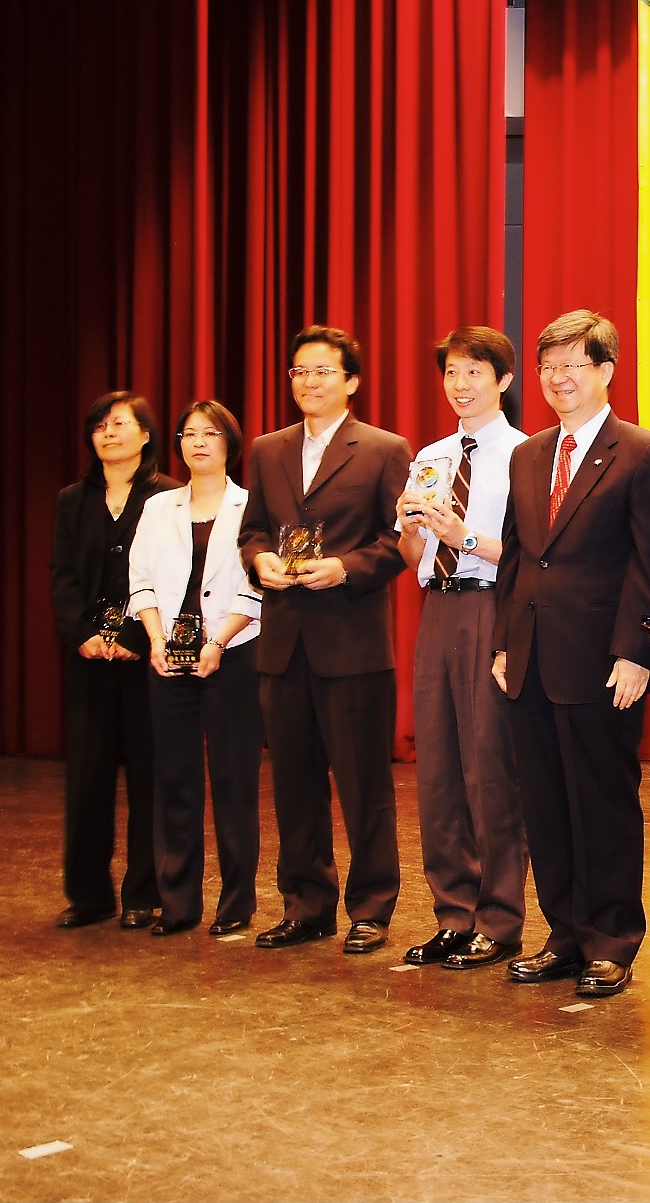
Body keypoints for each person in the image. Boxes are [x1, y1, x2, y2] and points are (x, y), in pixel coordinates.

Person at [492, 309, 650, 999]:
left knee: (602, 802)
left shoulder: (643, 452)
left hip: (603, 660)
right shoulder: (527, 454)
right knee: (544, 803)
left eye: (573, 365)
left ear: (605, 371)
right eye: (548, 366)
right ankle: (564, 935)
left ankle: (611, 940)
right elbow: (517, 555)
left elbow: (649, 561)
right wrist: (503, 643)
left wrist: (635, 652)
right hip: (530, 656)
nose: (558, 378)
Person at [238, 325, 412, 954]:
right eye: (300, 372)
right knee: (293, 783)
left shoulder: (385, 449)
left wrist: (345, 568)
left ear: (351, 381)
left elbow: (399, 542)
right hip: (283, 642)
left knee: (364, 787)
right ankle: (306, 905)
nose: (309, 382)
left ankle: (371, 907)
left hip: (352, 641)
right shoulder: (268, 450)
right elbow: (253, 530)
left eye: (322, 371)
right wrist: (258, 560)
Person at [395, 327, 531, 971]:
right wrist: (410, 528)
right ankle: (453, 913)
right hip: (439, 608)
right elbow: (412, 558)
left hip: (491, 606)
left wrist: (464, 536)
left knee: (489, 767)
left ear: (504, 381)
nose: (460, 385)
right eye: (451, 372)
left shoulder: (526, 455)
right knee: (439, 768)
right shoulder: (432, 456)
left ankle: (499, 919)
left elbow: (532, 557)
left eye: (475, 372)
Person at [127, 400, 264, 938]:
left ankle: (236, 903)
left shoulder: (251, 505)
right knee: (174, 780)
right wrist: (155, 641)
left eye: (210, 433)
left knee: (234, 779)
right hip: (168, 658)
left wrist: (219, 640)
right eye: (188, 434)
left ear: (230, 441)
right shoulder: (158, 506)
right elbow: (140, 579)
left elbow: (257, 584)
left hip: (233, 654)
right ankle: (177, 902)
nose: (198, 442)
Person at [49, 392, 179, 931]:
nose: (108, 432)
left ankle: (144, 892)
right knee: (87, 776)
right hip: (88, 657)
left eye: (120, 424)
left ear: (145, 435)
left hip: (146, 651)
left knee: (151, 775)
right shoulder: (73, 499)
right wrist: (80, 633)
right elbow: (62, 575)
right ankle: (88, 895)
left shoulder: (169, 496)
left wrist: (134, 633)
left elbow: (174, 574)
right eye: (99, 425)